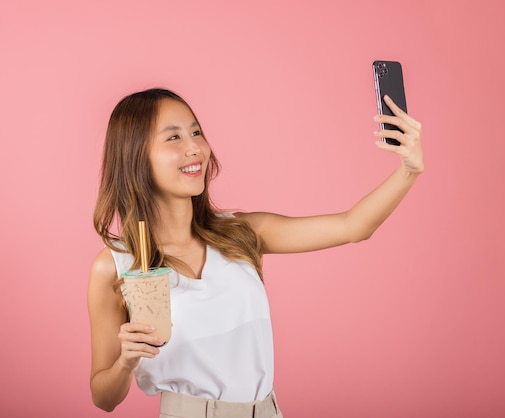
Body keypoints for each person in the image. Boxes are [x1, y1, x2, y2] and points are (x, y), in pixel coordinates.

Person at [87, 88, 424, 417]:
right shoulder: (117, 266)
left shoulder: (240, 233)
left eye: (196, 132)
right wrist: (126, 361)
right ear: (135, 156)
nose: (195, 148)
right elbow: (104, 396)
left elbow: (353, 226)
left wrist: (408, 170)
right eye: (173, 138)